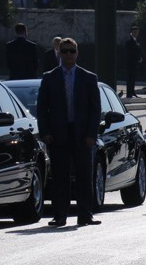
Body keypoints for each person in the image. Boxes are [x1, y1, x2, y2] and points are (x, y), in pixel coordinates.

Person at [37, 38, 101, 227]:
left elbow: (95, 109)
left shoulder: (88, 77)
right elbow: (42, 108)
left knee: (84, 176)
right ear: (59, 53)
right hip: (59, 134)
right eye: (64, 51)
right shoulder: (50, 77)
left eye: (71, 51)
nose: (68, 55)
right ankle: (60, 215)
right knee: (60, 177)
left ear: (77, 53)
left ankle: (85, 215)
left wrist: (92, 134)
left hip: (82, 134)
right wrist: (46, 132)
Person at [125, 25, 142, 98]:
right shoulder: (129, 41)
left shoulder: (135, 41)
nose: (136, 34)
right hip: (131, 63)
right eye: (134, 32)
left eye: (137, 32)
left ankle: (132, 91)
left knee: (133, 78)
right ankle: (129, 93)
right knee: (130, 78)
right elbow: (130, 52)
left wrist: (139, 58)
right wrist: (137, 58)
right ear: (131, 32)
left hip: (135, 63)